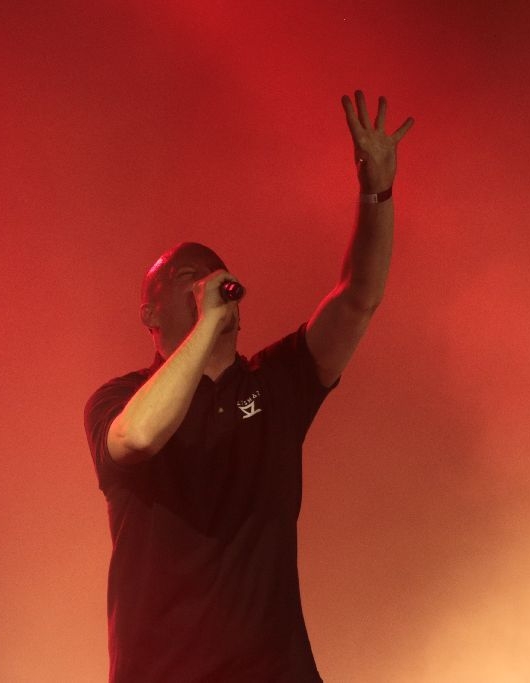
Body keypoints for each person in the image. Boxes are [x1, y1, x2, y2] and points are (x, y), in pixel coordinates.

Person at [84, 90, 413, 682]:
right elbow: (136, 438)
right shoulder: (118, 399)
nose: (207, 283)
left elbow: (358, 298)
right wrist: (205, 323)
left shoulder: (277, 381)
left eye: (215, 276)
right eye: (187, 277)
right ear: (149, 314)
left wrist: (378, 194)